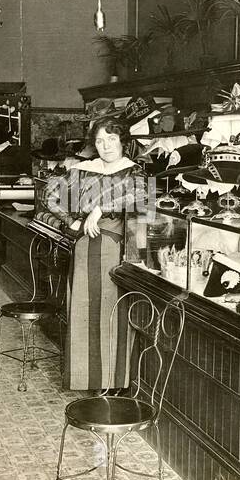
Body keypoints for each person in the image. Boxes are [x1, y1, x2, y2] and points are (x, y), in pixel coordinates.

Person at [45, 116, 147, 392]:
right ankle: (86, 379)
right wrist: (71, 221)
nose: (106, 146)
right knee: (82, 312)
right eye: (100, 140)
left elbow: (139, 197)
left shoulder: (134, 171)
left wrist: (99, 209)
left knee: (112, 312)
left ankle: (113, 381)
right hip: (85, 248)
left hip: (117, 252)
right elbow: (50, 196)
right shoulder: (82, 169)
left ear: (123, 141)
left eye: (112, 139)